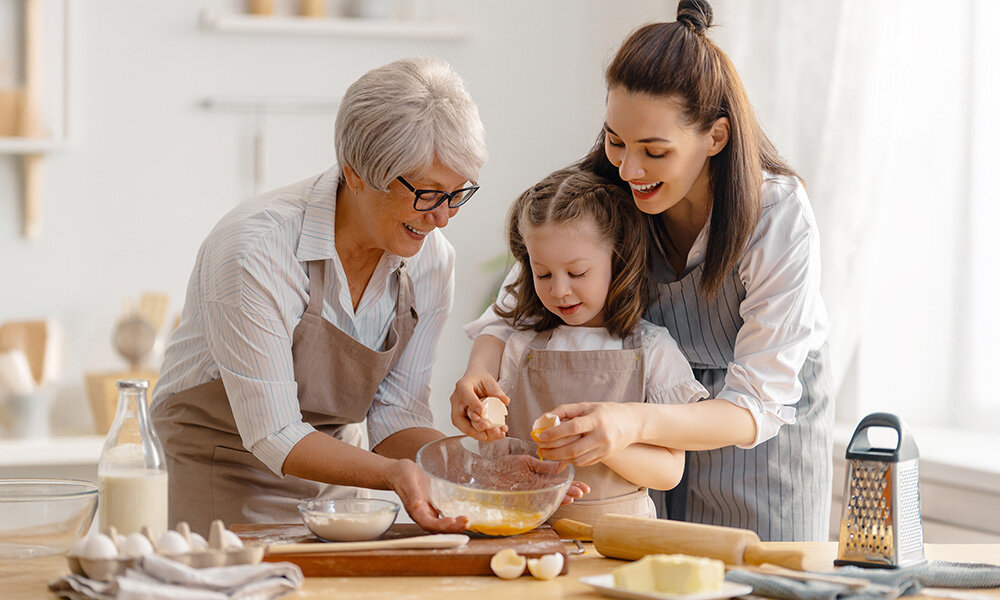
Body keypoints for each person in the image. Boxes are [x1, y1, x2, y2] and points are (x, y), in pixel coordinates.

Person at [453, 0, 833, 541]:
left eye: (654, 151)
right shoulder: (607, 195)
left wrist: (632, 421)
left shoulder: (775, 215)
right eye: (616, 141)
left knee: (760, 576)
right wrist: (476, 376)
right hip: (641, 436)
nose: (629, 170)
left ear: (716, 138)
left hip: (756, 439)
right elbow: (509, 314)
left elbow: (756, 405)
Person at [150, 57, 495, 535]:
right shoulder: (256, 250)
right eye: (428, 194)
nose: (444, 218)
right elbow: (273, 434)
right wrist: (390, 474)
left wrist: (480, 467)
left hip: (341, 473)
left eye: (459, 193)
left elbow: (396, 415)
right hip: (224, 464)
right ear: (356, 173)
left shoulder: (431, 260)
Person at [464, 168, 708, 524]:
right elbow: (495, 450)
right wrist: (496, 450)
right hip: (529, 531)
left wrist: (604, 443)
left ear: (618, 260)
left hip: (623, 537)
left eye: (577, 273)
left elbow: (669, 471)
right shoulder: (521, 348)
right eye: (543, 274)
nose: (559, 290)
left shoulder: (653, 350)